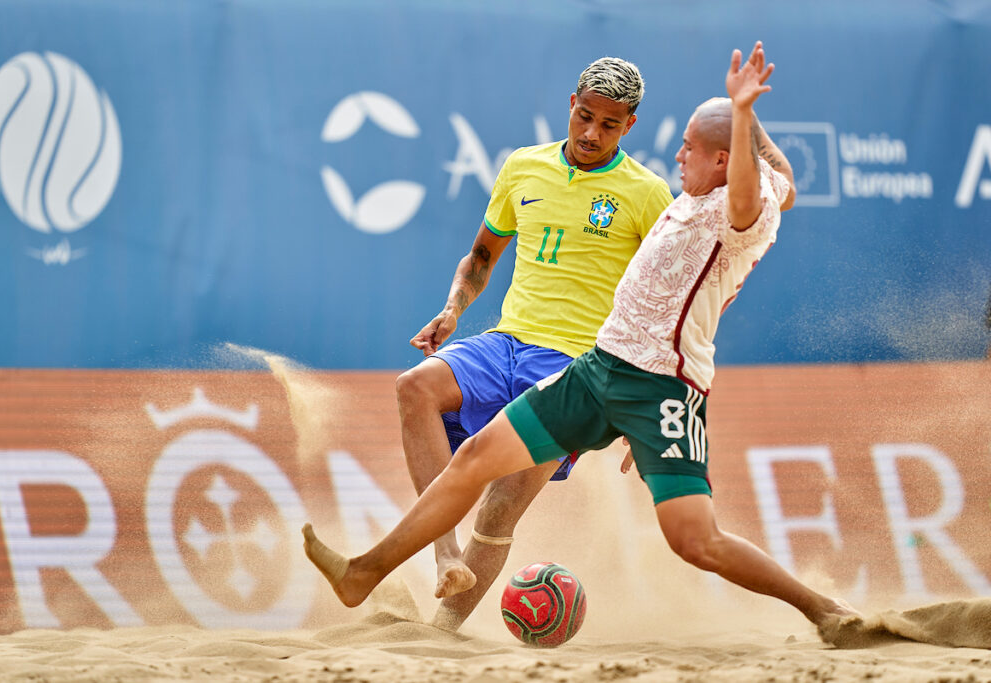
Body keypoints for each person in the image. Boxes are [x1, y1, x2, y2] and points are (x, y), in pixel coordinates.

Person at [303, 42, 859, 640]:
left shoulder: (731, 216)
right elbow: (785, 180)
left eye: (692, 149)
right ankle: (367, 572)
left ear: (724, 160)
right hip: (598, 369)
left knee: (696, 539)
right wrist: (745, 116)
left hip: (658, 389)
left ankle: (824, 610)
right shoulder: (694, 195)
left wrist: (744, 113)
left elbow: (754, 188)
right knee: (470, 459)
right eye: (585, 117)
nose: (678, 154)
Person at [394, 56, 673, 630]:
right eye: (586, 117)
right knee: (415, 387)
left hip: (578, 371)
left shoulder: (647, 194)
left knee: (500, 507)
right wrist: (452, 309)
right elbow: (480, 256)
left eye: (610, 125)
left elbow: (670, 304)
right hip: (507, 341)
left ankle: (441, 635)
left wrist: (650, 403)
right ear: (572, 105)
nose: (593, 134)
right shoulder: (524, 167)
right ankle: (444, 554)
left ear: (631, 126)